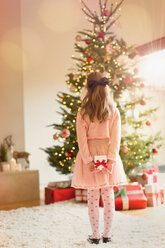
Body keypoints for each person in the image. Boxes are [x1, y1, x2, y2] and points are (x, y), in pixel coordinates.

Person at [71, 72, 127, 245]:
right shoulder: (113, 110)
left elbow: (82, 140)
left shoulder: (83, 112)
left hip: (91, 157)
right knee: (108, 195)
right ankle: (107, 235)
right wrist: (111, 159)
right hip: (107, 155)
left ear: (88, 89)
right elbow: (116, 138)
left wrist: (88, 160)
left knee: (93, 198)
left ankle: (95, 236)